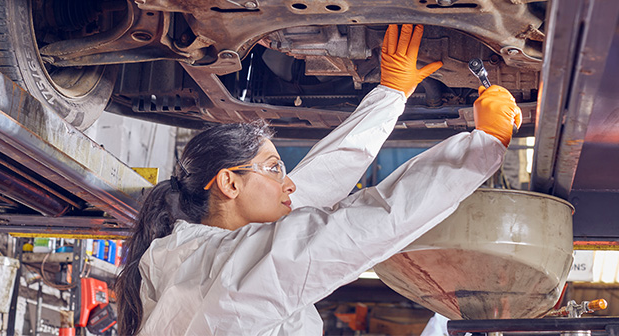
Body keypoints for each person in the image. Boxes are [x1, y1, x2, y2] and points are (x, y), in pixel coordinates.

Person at [115, 24, 521, 336]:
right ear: (229, 184)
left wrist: (390, 95)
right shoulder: (223, 263)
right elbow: (357, 229)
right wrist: (482, 147)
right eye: (275, 170)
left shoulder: (188, 256)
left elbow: (315, 190)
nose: (289, 184)